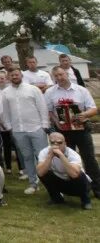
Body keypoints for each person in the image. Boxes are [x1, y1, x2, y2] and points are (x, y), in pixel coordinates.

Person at [44, 65, 100, 198]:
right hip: (63, 132)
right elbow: (49, 111)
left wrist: (84, 115)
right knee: (65, 159)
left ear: (67, 74)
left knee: (89, 159)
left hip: (81, 130)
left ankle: (97, 188)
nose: (59, 78)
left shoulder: (81, 90)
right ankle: (73, 187)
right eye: (56, 76)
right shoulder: (50, 92)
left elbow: (93, 109)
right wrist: (56, 122)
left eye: (61, 75)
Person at [0, 67, 49, 194]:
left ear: (21, 75)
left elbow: (42, 107)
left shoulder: (33, 89)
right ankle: (33, 183)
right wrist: (9, 127)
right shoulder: (5, 93)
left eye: (16, 74)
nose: (14, 77)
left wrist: (44, 125)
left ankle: (50, 183)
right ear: (8, 77)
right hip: (18, 130)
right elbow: (5, 112)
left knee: (42, 156)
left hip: (36, 127)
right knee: (27, 157)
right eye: (11, 75)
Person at [37, 132, 92, 210]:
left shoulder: (73, 154)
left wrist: (61, 156)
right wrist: (50, 156)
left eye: (59, 142)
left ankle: (86, 200)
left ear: (65, 143)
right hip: (61, 182)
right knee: (44, 172)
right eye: (52, 143)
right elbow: (40, 172)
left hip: (79, 184)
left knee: (79, 174)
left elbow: (74, 174)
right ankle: (57, 198)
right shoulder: (44, 152)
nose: (56, 145)